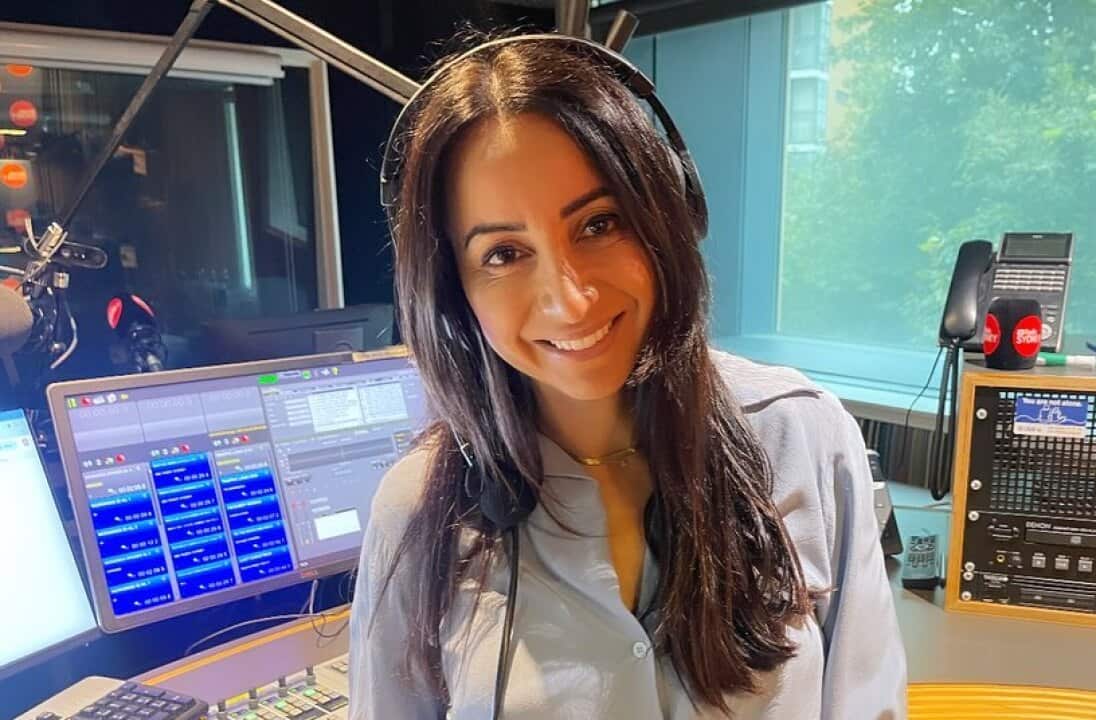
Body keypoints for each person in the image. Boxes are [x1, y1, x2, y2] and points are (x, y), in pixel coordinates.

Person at [349, 30, 907, 719]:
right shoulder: (419, 509)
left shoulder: (803, 437)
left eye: (599, 223)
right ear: (451, 288)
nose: (569, 298)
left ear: (666, 215)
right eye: (502, 254)